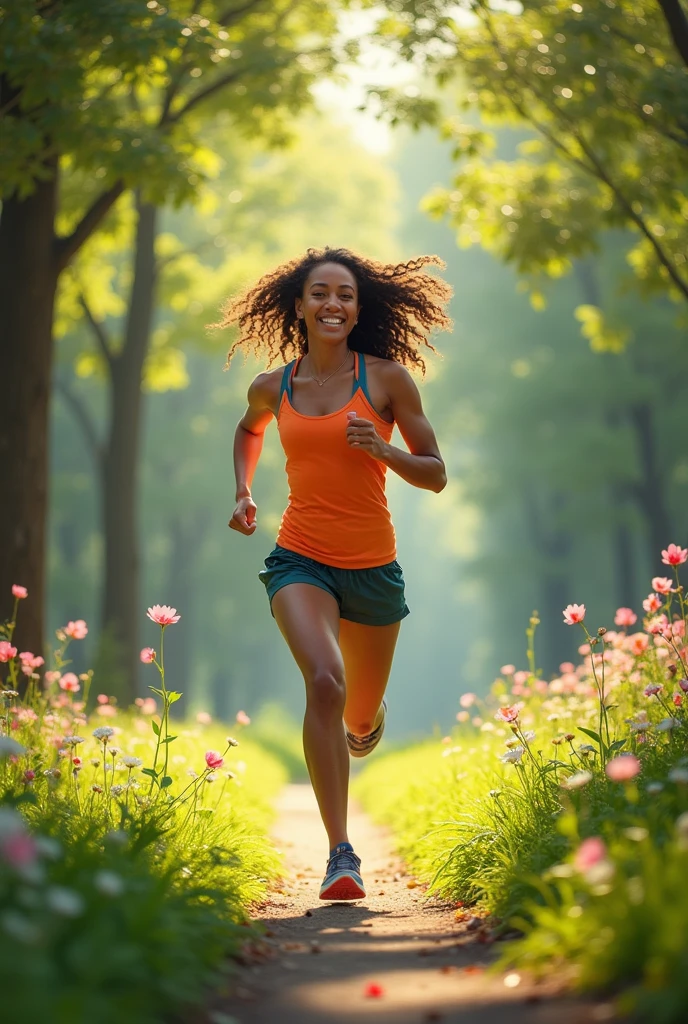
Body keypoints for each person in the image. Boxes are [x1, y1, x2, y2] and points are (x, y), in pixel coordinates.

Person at [217, 247, 451, 901]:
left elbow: (435, 473)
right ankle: (340, 855)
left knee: (358, 710)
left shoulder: (387, 381)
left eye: (344, 295)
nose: (332, 304)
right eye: (320, 293)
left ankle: (363, 724)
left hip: (374, 569)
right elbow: (248, 429)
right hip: (300, 557)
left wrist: (384, 448)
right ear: (299, 306)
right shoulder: (274, 386)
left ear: (357, 310)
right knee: (324, 683)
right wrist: (242, 491)